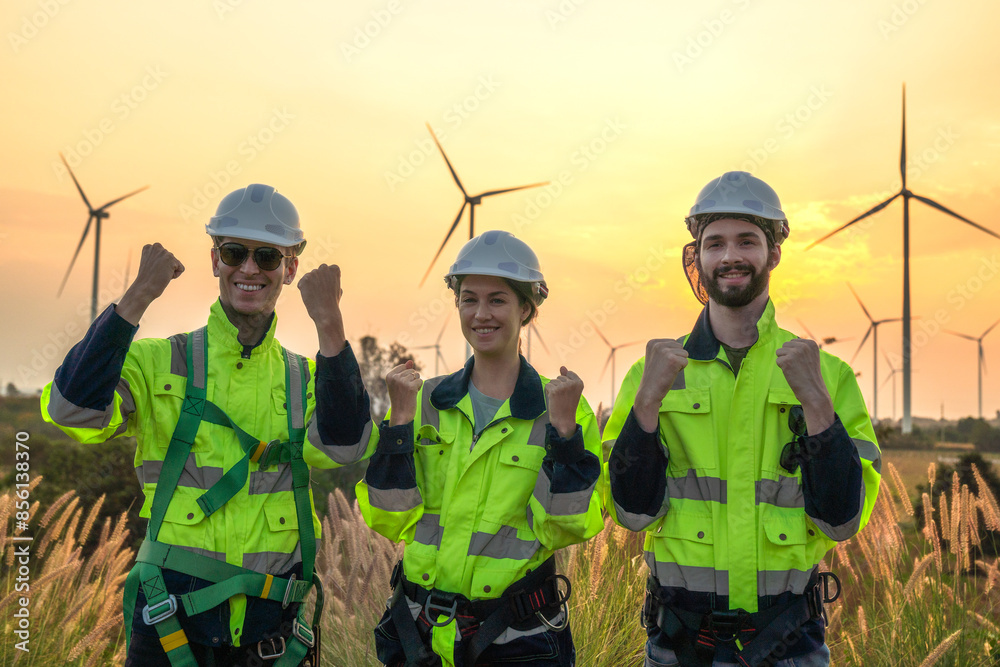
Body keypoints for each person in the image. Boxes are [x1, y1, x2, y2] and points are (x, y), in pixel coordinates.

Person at [41, 184, 376, 666]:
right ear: (214, 260)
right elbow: (73, 411)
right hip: (169, 624)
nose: (249, 269)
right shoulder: (158, 362)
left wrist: (330, 322)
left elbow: (347, 446)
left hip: (274, 636)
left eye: (267, 257)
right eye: (234, 253)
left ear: (291, 268)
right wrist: (138, 296)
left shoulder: (309, 378)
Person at [604, 172, 882, 667]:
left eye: (747, 241)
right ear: (697, 256)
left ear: (774, 253)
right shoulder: (651, 375)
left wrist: (817, 404)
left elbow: (842, 520)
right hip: (680, 644)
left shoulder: (830, 376)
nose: (730, 256)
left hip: (790, 644)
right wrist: (647, 404)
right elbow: (631, 512)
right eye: (715, 243)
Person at [357, 230, 604, 666]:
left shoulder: (562, 409)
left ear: (527, 309)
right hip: (416, 635)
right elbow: (388, 518)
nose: (481, 313)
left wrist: (564, 435)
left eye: (497, 300)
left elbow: (566, 528)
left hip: (515, 642)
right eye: (469, 299)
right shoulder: (424, 403)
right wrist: (398, 424)